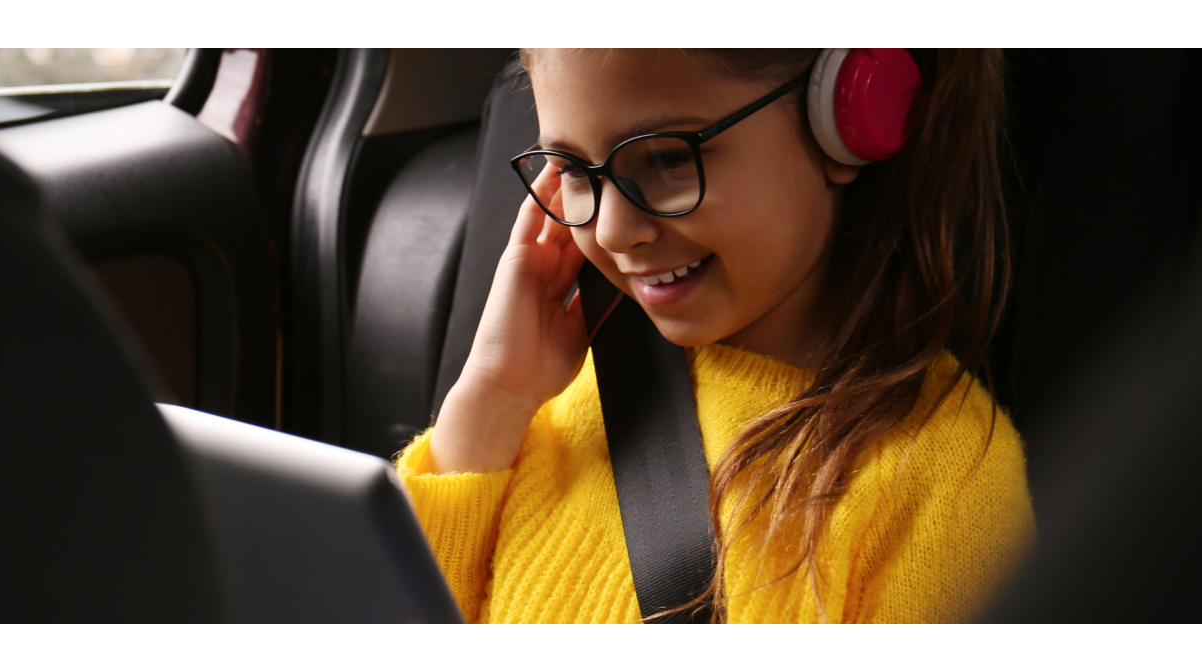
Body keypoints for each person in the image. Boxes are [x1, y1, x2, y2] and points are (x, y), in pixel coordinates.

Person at [394, 48, 1033, 624]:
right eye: (574, 171)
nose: (614, 232)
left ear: (852, 116)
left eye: (669, 158)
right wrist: (494, 402)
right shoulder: (553, 397)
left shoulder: (941, 491)